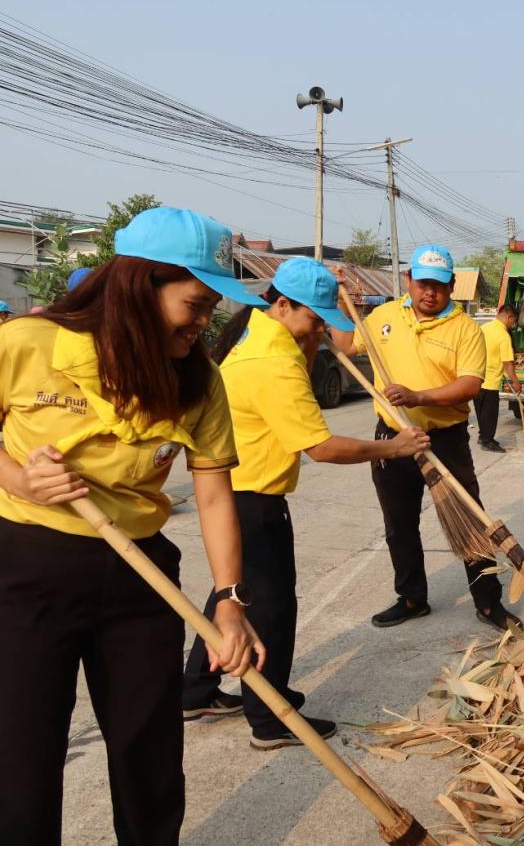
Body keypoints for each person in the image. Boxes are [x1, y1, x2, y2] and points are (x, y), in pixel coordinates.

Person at [0, 206, 266, 844]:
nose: (204, 323)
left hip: (140, 575)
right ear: (138, 285)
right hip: (26, 567)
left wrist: (229, 601)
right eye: (195, 304)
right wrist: (15, 478)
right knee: (22, 755)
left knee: (149, 752)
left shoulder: (198, 381)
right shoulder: (26, 345)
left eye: (210, 309)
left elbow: (212, 495)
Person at [182, 258, 429, 749]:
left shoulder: (253, 332)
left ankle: (194, 690)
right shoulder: (274, 363)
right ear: (281, 304)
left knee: (228, 593)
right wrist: (393, 447)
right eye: (314, 320)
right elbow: (321, 447)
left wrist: (313, 333)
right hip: (252, 498)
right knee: (271, 609)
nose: (319, 330)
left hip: (234, 488)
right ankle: (270, 718)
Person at [331, 244, 523, 632]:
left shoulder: (466, 329)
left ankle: (488, 603)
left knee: (470, 520)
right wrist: (338, 304)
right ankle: (412, 597)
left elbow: (470, 385)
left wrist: (419, 396)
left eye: (438, 285)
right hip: (393, 438)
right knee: (399, 523)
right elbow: (347, 346)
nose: (429, 292)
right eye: (422, 283)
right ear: (409, 281)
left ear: (452, 286)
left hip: (444, 440)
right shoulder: (383, 316)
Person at [475, 304, 521, 452]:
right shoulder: (503, 336)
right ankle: (488, 441)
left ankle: (482, 437)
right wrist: (516, 382)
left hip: (476, 379)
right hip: (490, 382)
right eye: (514, 321)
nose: (513, 325)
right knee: (490, 414)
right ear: (509, 317)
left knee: (481, 413)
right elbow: (507, 363)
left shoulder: (484, 328)